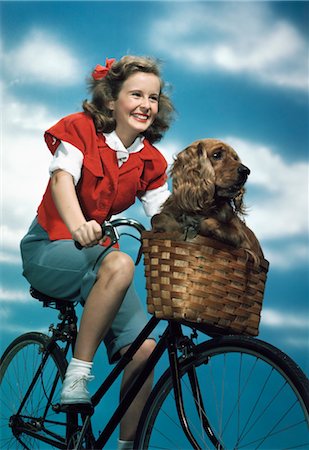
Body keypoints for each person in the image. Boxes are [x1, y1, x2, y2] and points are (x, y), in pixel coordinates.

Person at [20, 55, 174, 450]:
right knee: (121, 261)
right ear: (111, 101)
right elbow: (61, 181)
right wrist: (77, 225)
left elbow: (164, 218)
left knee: (144, 350)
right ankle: (77, 374)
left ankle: (127, 446)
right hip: (50, 247)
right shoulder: (81, 130)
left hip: (101, 258)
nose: (145, 104)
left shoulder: (150, 160)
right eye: (135, 94)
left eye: (153, 98)